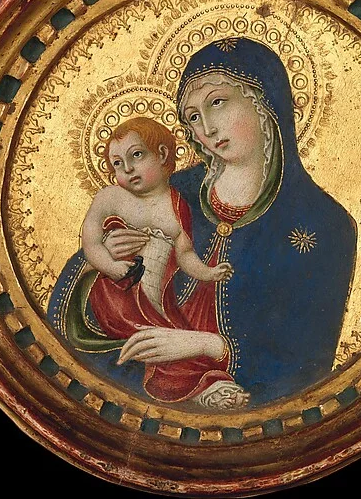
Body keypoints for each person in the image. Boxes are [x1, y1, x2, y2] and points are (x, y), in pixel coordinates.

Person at [48, 37, 357, 407]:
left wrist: (208, 346)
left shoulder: (325, 225)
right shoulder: (167, 192)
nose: (207, 128)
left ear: (263, 103)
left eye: (217, 102)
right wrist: (100, 261)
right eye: (193, 117)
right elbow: (68, 320)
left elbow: (307, 369)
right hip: (135, 378)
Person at [81, 117, 249, 407]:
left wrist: (208, 273)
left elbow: (185, 255)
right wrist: (110, 266)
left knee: (179, 343)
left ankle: (205, 385)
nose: (127, 169)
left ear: (161, 154)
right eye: (117, 164)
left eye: (136, 155)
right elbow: (91, 243)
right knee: (154, 342)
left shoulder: (178, 206)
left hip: (156, 302)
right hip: (116, 294)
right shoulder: (111, 198)